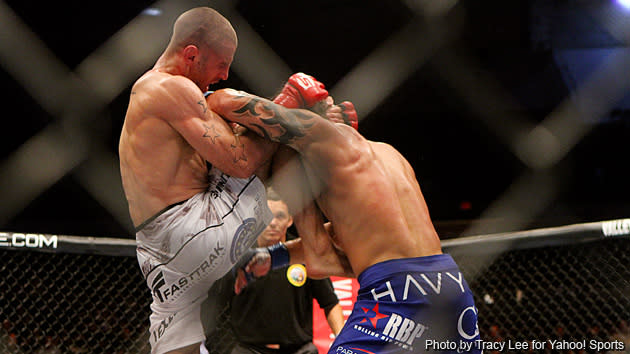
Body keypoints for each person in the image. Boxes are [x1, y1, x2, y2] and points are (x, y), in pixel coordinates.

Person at [205, 80, 482, 353]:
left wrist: (285, 100)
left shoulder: (318, 137)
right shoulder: (389, 154)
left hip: (396, 295)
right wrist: (275, 256)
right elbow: (351, 238)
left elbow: (226, 101)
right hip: (451, 286)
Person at [118, 7, 281, 354]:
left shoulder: (148, 91)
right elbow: (239, 162)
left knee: (176, 333)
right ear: (191, 54)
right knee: (268, 133)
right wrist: (287, 108)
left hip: (153, 252)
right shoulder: (173, 87)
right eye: (221, 63)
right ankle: (301, 110)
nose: (224, 73)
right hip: (196, 229)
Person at [205, 188, 344, 354]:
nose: (272, 222)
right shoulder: (237, 257)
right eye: (267, 216)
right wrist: (223, 348)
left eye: (280, 216)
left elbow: (330, 303)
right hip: (248, 350)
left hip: (299, 350)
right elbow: (212, 307)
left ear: (290, 220)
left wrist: (342, 342)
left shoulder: (306, 255)